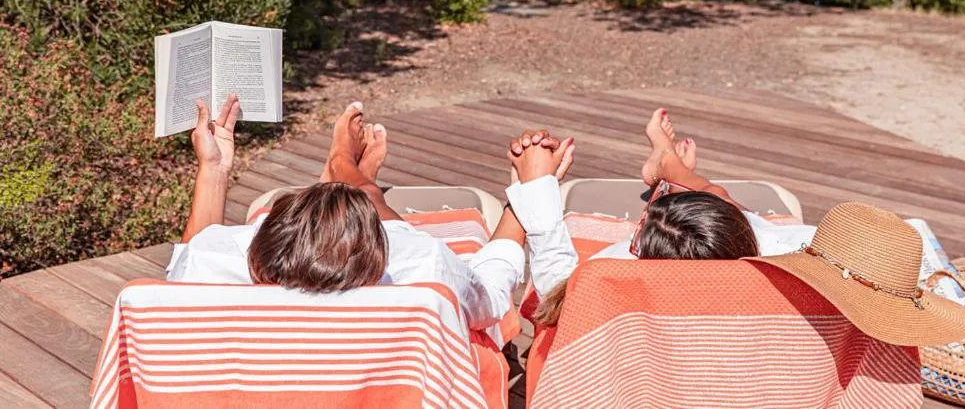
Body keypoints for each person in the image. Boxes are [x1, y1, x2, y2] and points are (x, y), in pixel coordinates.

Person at [168, 96, 566, 335]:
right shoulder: (420, 273)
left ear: (260, 248)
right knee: (367, 203)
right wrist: (527, 195)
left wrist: (214, 168)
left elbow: (190, 261)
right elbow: (491, 297)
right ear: (379, 252)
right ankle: (350, 173)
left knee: (347, 208)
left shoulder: (214, 268)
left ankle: (343, 170)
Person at [502, 108, 816, 327]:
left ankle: (670, 171)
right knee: (719, 205)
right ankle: (672, 170)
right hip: (748, 256)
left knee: (716, 200)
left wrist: (536, 185)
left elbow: (556, 287)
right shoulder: (792, 281)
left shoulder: (607, 289)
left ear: (639, 247)